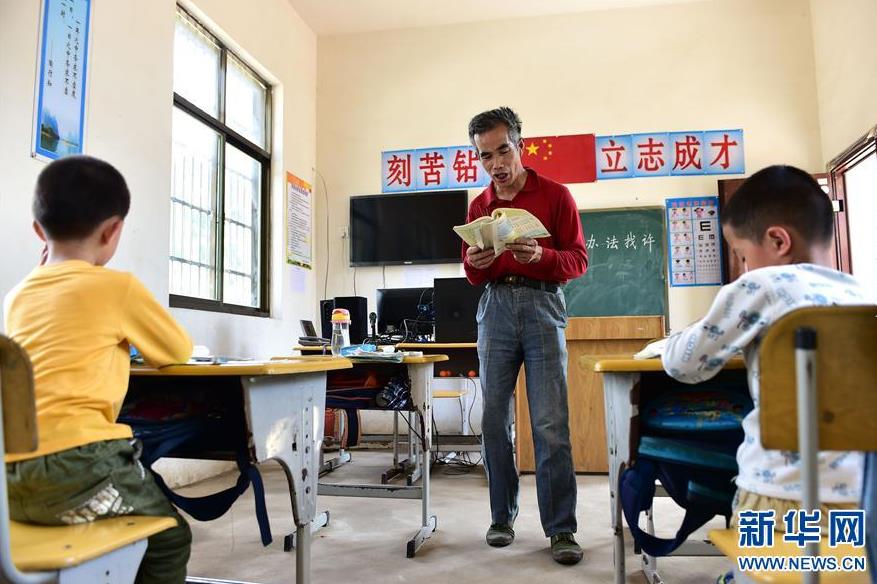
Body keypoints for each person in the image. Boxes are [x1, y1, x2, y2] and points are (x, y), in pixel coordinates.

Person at [3, 155, 194, 583]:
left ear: (39, 231)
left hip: (9, 476)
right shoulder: (116, 287)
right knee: (169, 538)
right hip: (80, 468)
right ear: (113, 231)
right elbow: (175, 350)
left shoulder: (16, 297)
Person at [662, 165, 869, 535]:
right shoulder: (859, 294)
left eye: (742, 254)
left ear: (778, 241)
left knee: (759, 573)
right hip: (862, 495)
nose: (743, 267)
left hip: (776, 495)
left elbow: (684, 365)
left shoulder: (762, 284)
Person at [463, 107, 588, 565]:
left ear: (520, 145)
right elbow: (474, 272)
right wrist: (474, 265)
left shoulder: (555, 195)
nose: (496, 164)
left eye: (503, 150)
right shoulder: (480, 205)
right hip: (495, 309)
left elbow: (578, 261)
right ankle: (502, 516)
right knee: (494, 420)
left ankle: (561, 529)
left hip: (542, 305)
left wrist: (541, 255)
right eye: (485, 156)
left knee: (550, 424)